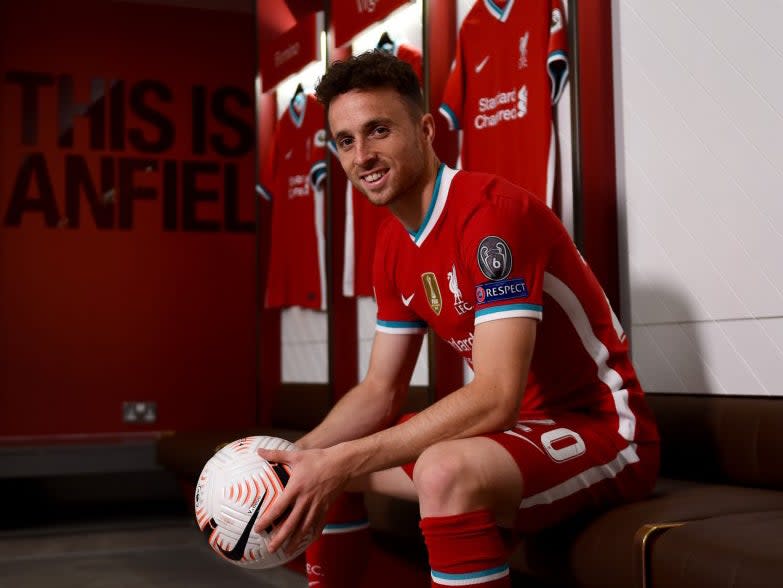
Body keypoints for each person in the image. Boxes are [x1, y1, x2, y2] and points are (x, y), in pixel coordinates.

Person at [254, 50, 660, 588]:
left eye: (378, 130)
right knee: (329, 463)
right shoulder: (392, 242)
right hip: (515, 434)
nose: (362, 155)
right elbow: (380, 390)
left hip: (602, 429)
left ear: (425, 129)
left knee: (440, 469)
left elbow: (495, 396)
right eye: (346, 141)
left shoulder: (491, 214)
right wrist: (300, 456)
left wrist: (342, 461)